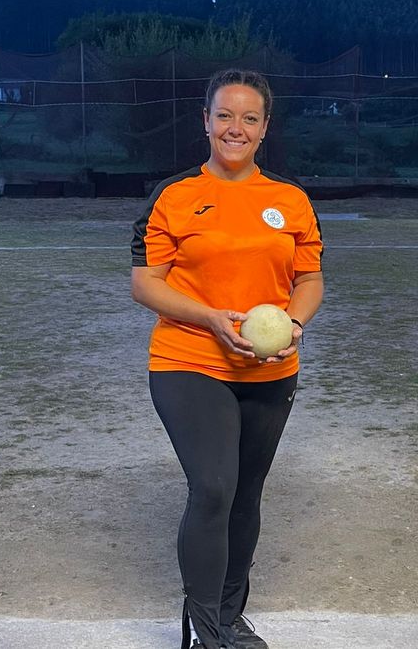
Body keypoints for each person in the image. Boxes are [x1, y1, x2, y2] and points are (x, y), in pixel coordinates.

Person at [130, 68, 324, 649]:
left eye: (249, 118)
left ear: (265, 128)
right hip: (188, 359)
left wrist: (293, 324)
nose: (235, 128)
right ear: (206, 121)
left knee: (245, 495)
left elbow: (310, 279)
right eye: (224, 115)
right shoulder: (174, 196)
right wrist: (212, 318)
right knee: (214, 488)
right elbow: (145, 284)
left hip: (270, 368)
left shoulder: (290, 200)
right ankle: (207, 629)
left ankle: (231, 616)